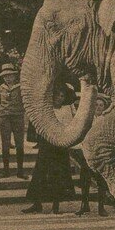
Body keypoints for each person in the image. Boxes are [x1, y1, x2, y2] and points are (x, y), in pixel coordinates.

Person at [22, 83, 77, 214]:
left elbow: (69, 127)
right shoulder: (46, 109)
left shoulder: (66, 110)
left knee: (57, 175)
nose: (59, 98)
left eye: (62, 96)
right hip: (46, 144)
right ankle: (37, 204)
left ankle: (56, 206)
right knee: (40, 173)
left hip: (59, 145)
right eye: (56, 95)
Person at [74, 93, 112, 217]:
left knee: (101, 180)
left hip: (101, 153)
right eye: (96, 105)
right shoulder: (87, 119)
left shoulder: (107, 119)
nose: (98, 107)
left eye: (101, 105)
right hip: (87, 152)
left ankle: (101, 207)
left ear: (105, 107)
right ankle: (84, 205)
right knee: (85, 179)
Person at [0, 64, 27, 179]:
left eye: (10, 75)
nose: (7, 78)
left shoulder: (21, 88)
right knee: (5, 144)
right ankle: (6, 170)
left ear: (15, 76)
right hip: (5, 118)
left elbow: (25, 101)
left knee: (19, 144)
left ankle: (20, 171)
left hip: (18, 116)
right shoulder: (0, 88)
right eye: (5, 76)